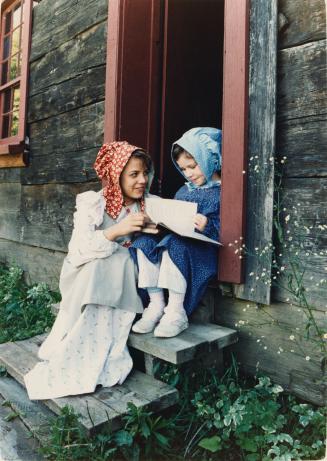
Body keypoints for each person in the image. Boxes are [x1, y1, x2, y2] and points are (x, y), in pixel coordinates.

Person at [24, 141, 156, 400]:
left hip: (128, 278)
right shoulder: (94, 203)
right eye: (134, 174)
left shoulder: (150, 204)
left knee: (117, 263)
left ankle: (91, 350)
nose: (142, 180)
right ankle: (78, 352)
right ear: (116, 175)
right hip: (87, 275)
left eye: (145, 173)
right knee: (100, 265)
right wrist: (118, 230)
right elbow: (79, 251)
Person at [130, 127, 222, 338]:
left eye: (193, 166)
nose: (189, 173)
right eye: (183, 169)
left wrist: (207, 225)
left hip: (201, 249)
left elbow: (226, 232)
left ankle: (175, 311)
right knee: (143, 242)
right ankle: (156, 304)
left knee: (174, 245)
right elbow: (175, 217)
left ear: (209, 159)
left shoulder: (223, 191)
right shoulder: (184, 190)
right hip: (175, 239)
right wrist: (159, 225)